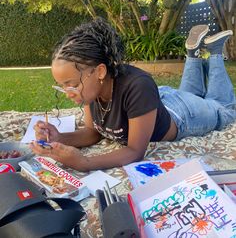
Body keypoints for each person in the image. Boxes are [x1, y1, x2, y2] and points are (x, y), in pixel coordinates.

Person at [31, 19, 236, 171]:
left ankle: (215, 51)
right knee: (190, 95)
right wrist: (61, 138)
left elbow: (134, 152)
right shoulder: (91, 90)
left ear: (100, 72)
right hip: (151, 105)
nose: (68, 93)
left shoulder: (137, 86)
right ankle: (192, 54)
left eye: (72, 85)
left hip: (181, 115)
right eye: (62, 86)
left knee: (224, 109)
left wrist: (84, 162)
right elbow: (93, 132)